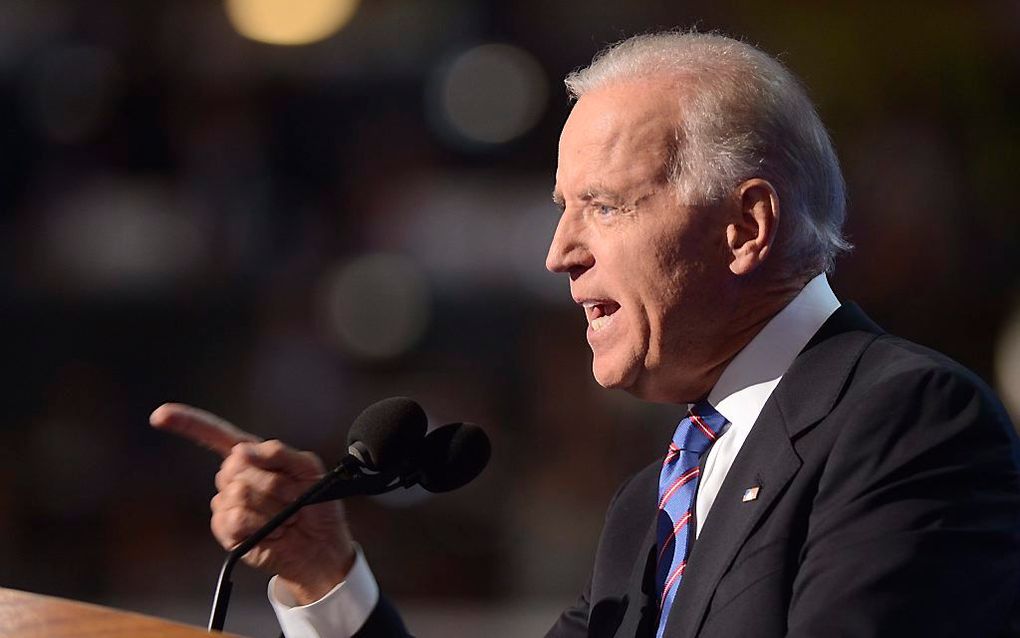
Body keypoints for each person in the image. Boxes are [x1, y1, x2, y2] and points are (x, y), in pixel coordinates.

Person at [151, 31, 1020, 637]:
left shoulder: (906, 420)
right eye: (564, 209)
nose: (558, 253)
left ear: (746, 227)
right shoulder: (652, 503)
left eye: (603, 207)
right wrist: (324, 577)